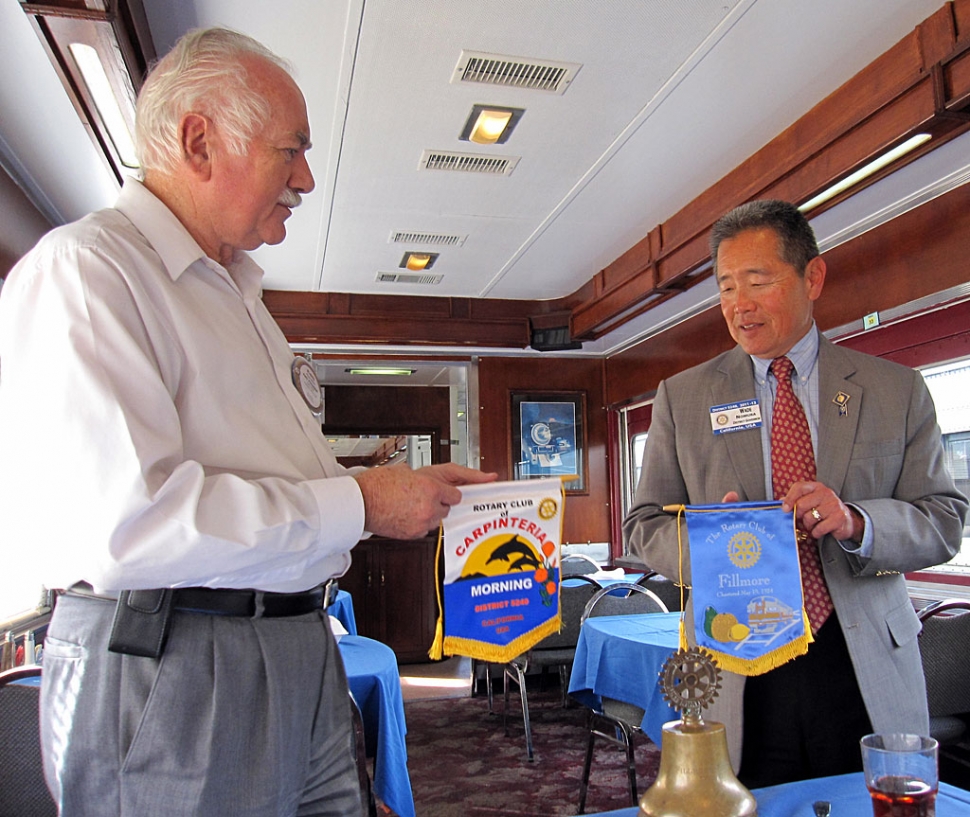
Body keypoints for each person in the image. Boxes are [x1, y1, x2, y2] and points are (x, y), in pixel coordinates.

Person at [0, 28, 495, 817]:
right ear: (199, 141)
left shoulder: (240, 298)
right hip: (173, 658)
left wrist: (392, 489)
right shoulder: (90, 274)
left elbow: (271, 479)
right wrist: (361, 501)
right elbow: (134, 525)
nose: (305, 177)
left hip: (293, 648)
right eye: (290, 149)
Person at [623, 199, 967, 788]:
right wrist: (711, 545)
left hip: (857, 659)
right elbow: (643, 524)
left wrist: (857, 520)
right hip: (737, 660)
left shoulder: (895, 390)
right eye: (726, 287)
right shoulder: (682, 398)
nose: (739, 305)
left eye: (758, 282)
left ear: (813, 277)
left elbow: (943, 520)